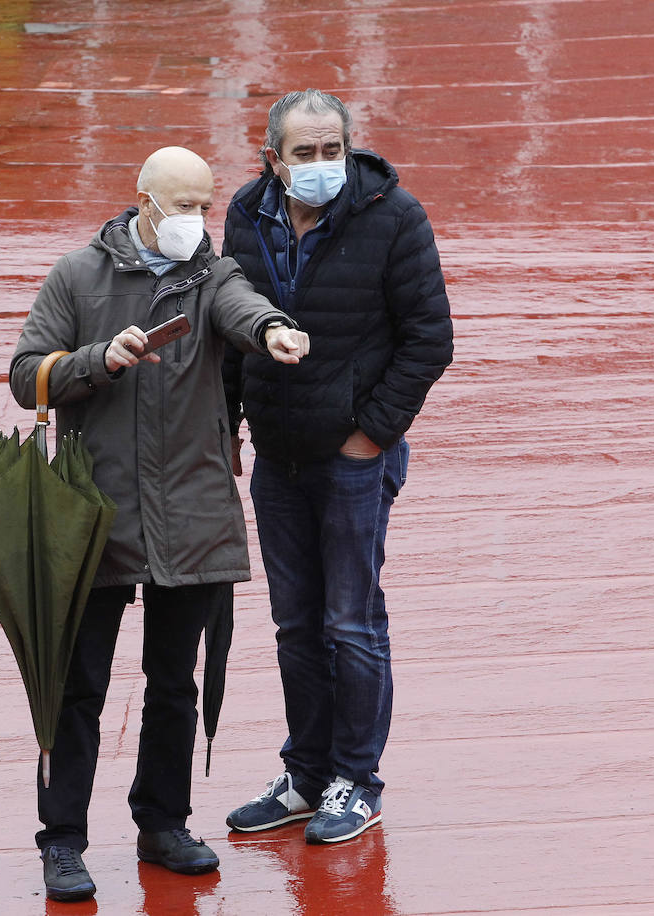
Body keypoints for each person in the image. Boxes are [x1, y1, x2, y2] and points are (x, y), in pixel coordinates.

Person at [8, 145, 310, 902]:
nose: (196, 221)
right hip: (95, 515)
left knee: (175, 682)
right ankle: (64, 840)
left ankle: (164, 824)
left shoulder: (212, 275)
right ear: (141, 200)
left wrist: (272, 328)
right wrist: (97, 360)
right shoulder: (79, 275)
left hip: (193, 513)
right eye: (182, 206)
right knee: (77, 686)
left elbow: (242, 309)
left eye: (205, 206)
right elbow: (25, 376)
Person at [221, 89, 454, 845]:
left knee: (351, 623)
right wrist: (227, 428)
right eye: (305, 153)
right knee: (295, 626)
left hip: (353, 460)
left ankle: (357, 780)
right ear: (272, 160)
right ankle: (307, 776)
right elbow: (226, 328)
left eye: (333, 151)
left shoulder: (395, 217)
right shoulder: (245, 217)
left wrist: (370, 435)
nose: (321, 166)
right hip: (276, 457)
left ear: (349, 150)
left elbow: (429, 340)